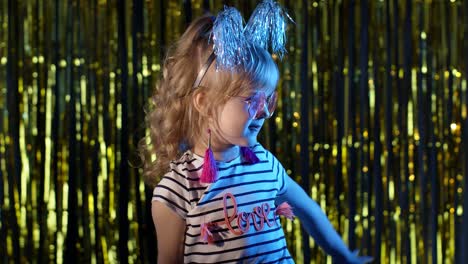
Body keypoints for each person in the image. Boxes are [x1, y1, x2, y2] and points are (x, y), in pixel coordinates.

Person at [140, 1, 373, 263]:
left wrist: (344, 257)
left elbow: (308, 210)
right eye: (251, 100)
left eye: (268, 100)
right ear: (204, 102)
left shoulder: (264, 163)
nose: (263, 113)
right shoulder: (177, 189)